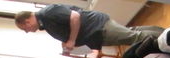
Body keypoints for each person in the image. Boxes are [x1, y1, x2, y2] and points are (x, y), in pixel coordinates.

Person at [14, 4, 162, 54]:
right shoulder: (45, 22)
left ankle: (167, 38)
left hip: (99, 27)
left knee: (134, 37)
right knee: (133, 33)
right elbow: (68, 27)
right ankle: (166, 33)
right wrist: (66, 42)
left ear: (26, 21)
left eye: (24, 29)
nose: (27, 31)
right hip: (97, 32)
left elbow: (75, 17)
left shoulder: (48, 13)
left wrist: (72, 40)